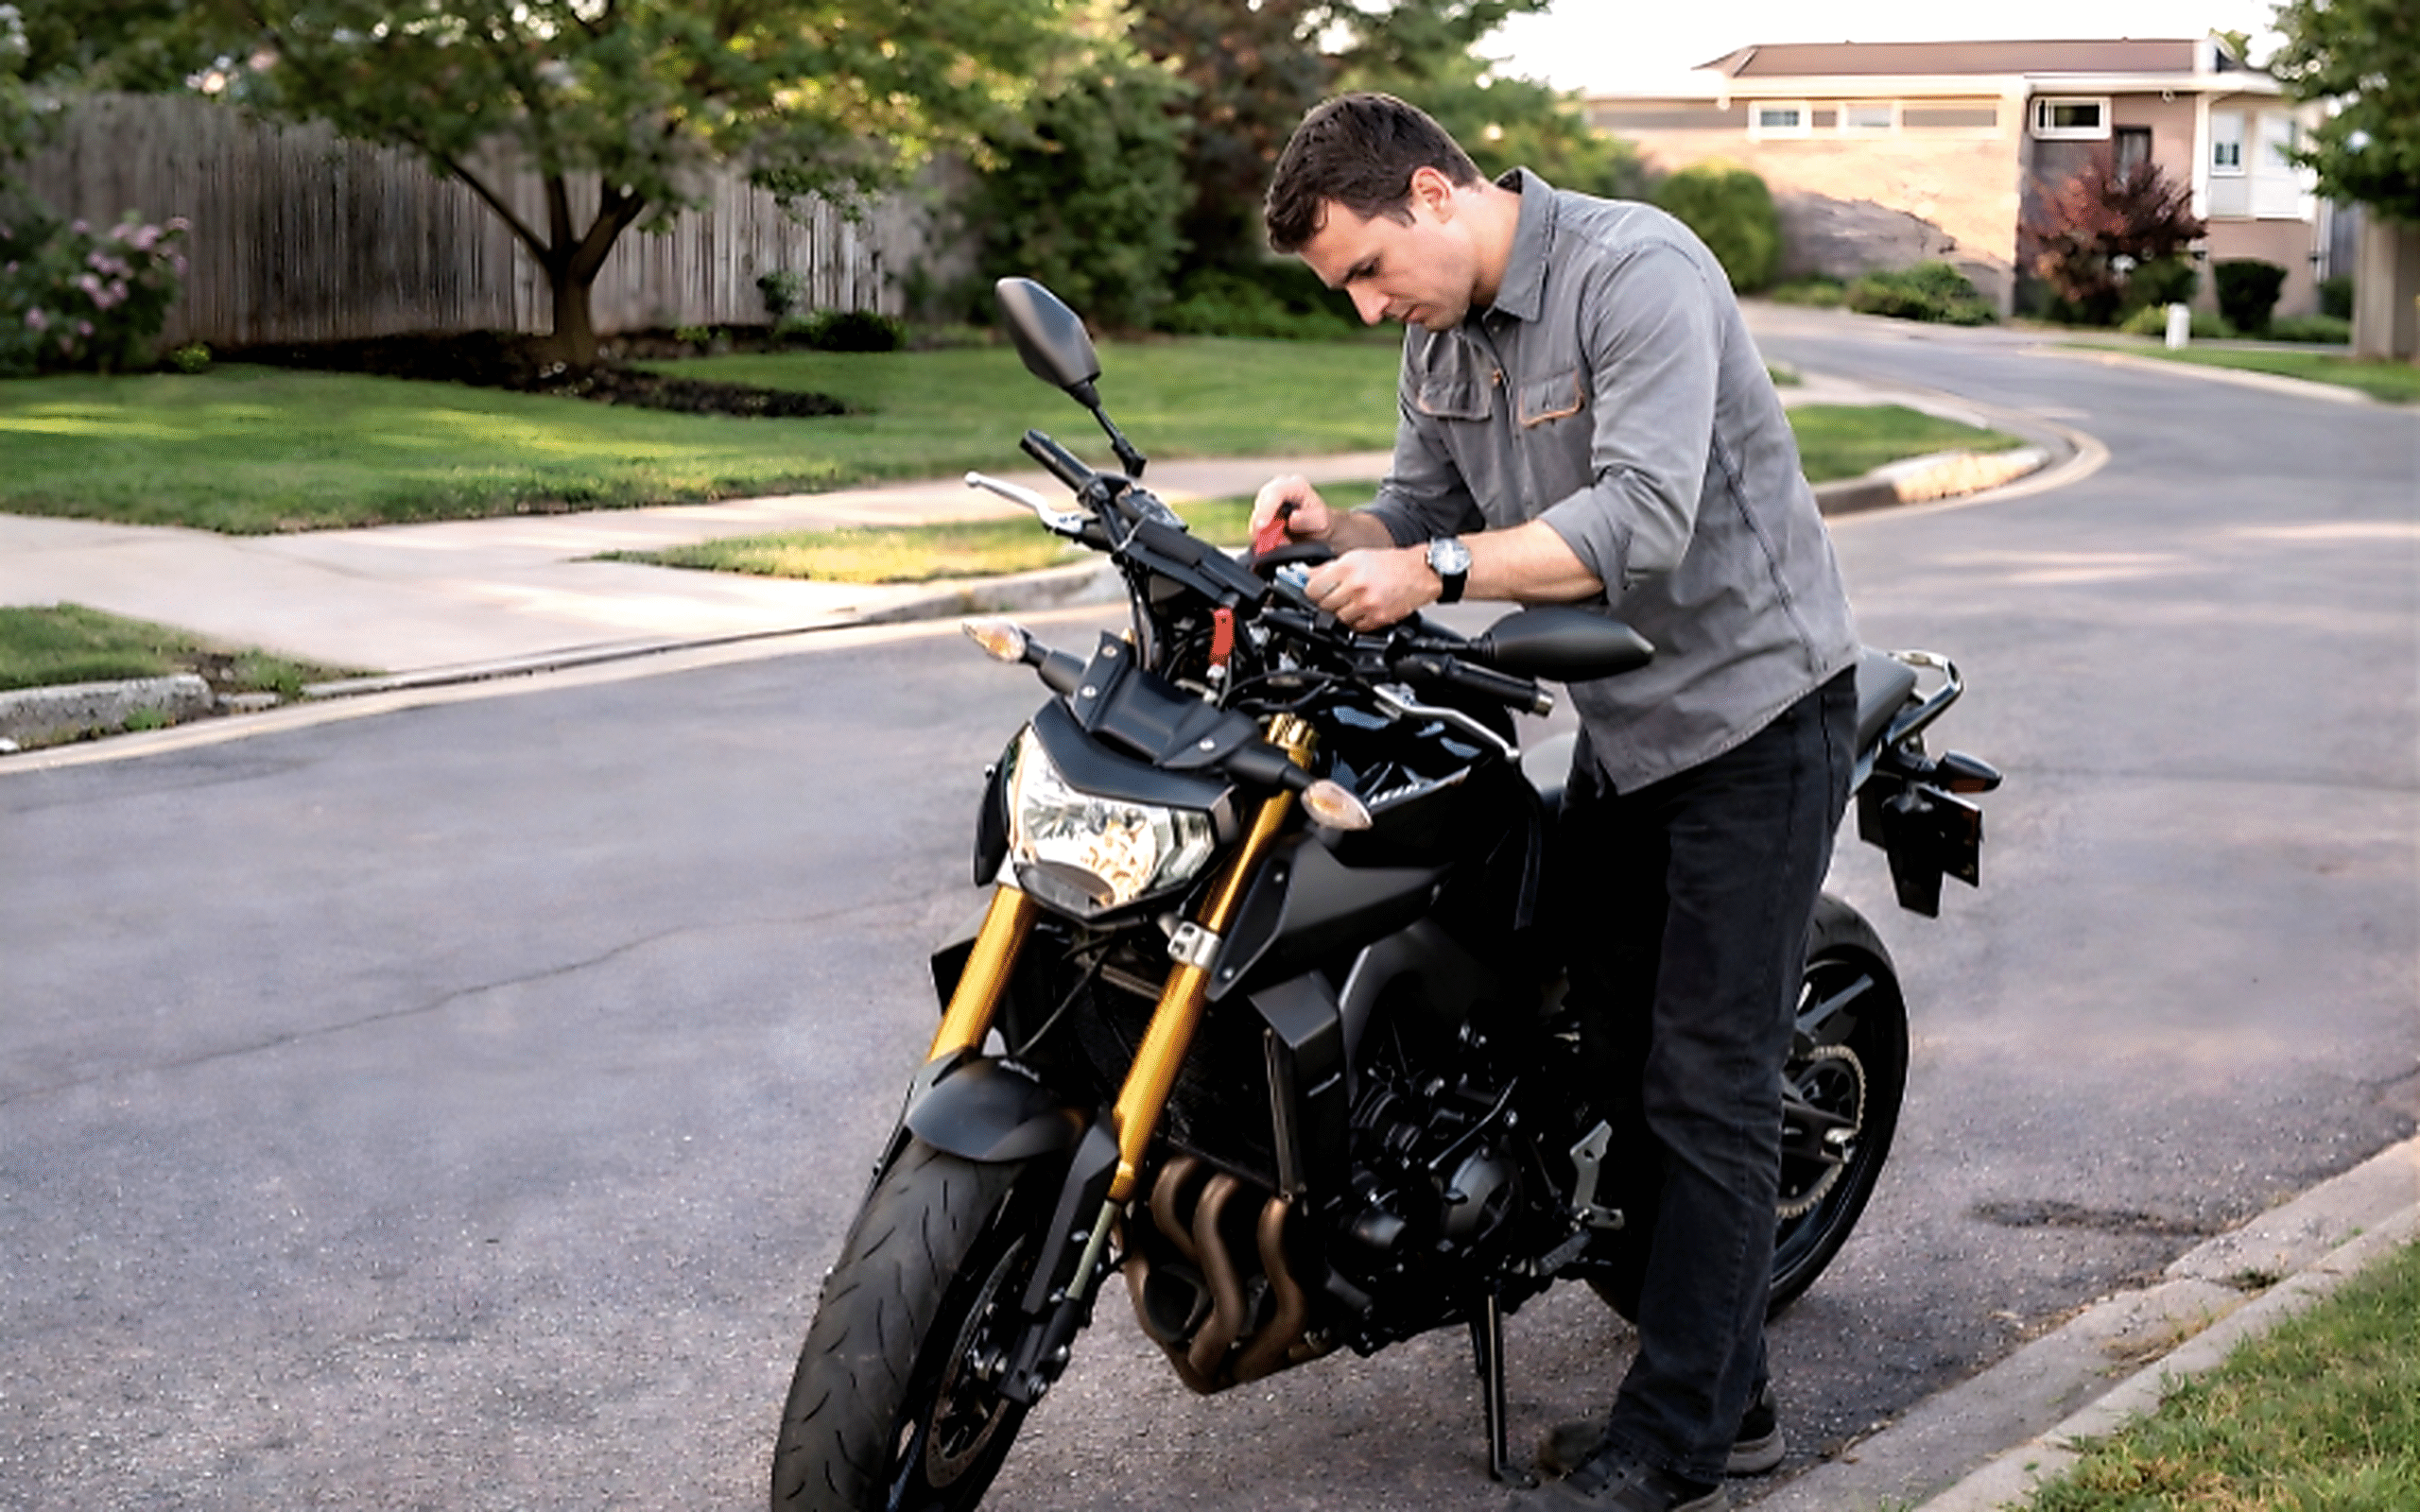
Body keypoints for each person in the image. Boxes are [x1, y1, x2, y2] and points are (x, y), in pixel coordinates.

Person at [1252, 94, 1861, 1512]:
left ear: (1432, 193)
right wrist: (1336, 533)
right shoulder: (1436, 335)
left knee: (1702, 1087)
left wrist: (1439, 573)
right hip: (1625, 734)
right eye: (1342, 286)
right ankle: (1727, 1378)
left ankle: (1684, 1445)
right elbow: (1417, 507)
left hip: (1755, 722)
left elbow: (1640, 520)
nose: (1362, 307)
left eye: (1362, 268)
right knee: (1586, 1046)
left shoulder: (1635, 271)